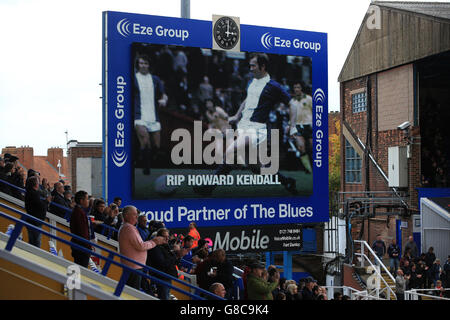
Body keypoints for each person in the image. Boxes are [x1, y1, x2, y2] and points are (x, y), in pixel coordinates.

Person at [194, 53, 298, 196]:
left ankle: (208, 187)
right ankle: (286, 181)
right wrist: (236, 116)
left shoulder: (274, 86)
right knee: (255, 166)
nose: (250, 68)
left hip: (257, 129)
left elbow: (292, 104)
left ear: (263, 67)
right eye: (250, 65)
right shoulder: (252, 82)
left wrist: (292, 126)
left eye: (253, 65)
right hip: (244, 126)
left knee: (231, 151)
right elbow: (246, 101)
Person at [133, 54, 168, 175]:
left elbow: (164, 94)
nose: (143, 66)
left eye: (145, 63)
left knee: (156, 146)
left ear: (149, 65)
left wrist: (164, 100)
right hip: (139, 117)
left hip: (154, 116)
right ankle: (145, 169)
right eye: (141, 63)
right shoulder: (133, 78)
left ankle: (143, 160)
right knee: (145, 141)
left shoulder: (155, 79)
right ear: (138, 65)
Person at [118, 206, 164, 291]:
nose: (137, 217)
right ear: (127, 216)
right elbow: (141, 246)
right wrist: (155, 241)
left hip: (134, 266)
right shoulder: (128, 228)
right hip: (133, 267)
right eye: (134, 214)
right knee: (133, 293)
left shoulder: (128, 227)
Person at [147, 228, 179, 300]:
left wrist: (178, 255)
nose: (167, 238)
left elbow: (174, 262)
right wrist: (175, 255)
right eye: (165, 237)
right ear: (159, 237)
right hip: (161, 278)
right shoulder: (155, 248)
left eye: (168, 236)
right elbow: (163, 263)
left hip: (167, 277)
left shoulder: (166, 246)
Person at [289, 82, 313, 174]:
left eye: (298, 87)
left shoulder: (309, 99)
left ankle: (314, 166)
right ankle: (308, 169)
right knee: (301, 147)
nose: (296, 89)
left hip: (309, 125)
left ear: (301, 88)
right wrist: (290, 126)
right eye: (295, 87)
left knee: (312, 147)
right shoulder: (292, 101)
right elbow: (291, 116)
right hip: (298, 126)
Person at [24, 176, 51, 248]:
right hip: (35, 221)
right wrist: (47, 201)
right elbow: (40, 206)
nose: (39, 184)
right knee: (36, 243)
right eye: (38, 182)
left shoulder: (30, 192)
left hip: (32, 220)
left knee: (32, 241)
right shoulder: (33, 193)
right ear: (35, 184)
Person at [69, 190, 94, 268]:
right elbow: (82, 232)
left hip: (80, 246)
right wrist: (88, 246)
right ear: (81, 201)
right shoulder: (79, 213)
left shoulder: (79, 211)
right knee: (81, 270)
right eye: (87, 199)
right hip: (81, 248)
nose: (88, 201)